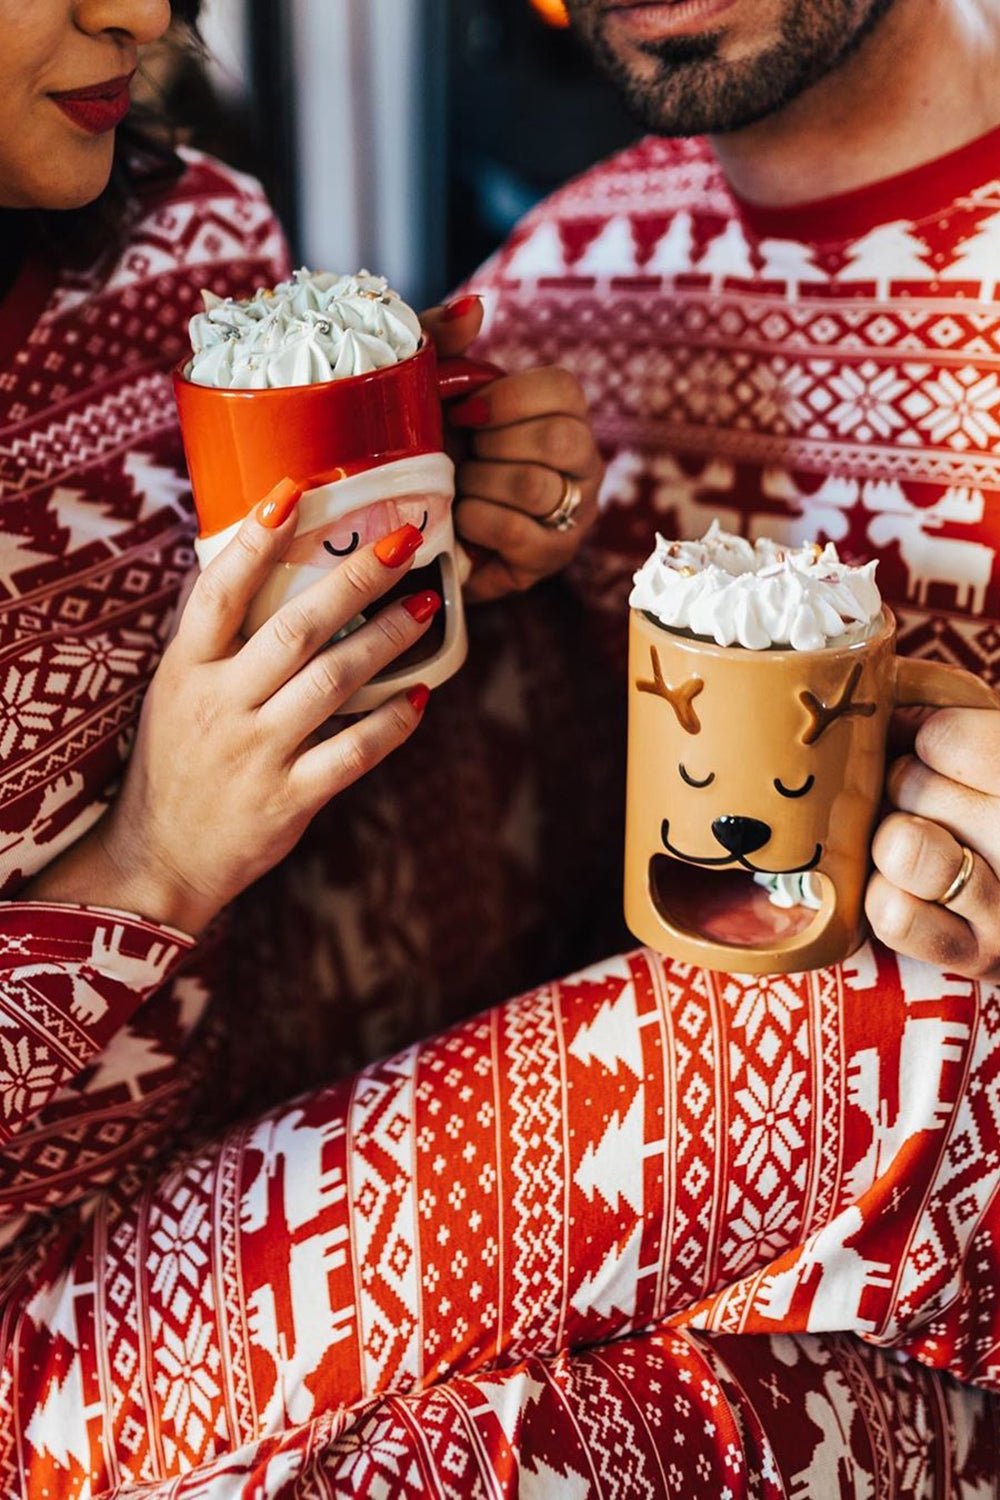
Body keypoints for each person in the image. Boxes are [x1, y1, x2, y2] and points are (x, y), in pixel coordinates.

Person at [1, 5, 998, 1500]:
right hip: (75, 1323)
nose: (143, 12)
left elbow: (489, 782)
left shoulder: (194, 249)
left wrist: (481, 533)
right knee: (918, 1032)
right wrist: (148, 857)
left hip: (338, 1165)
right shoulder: (570, 281)